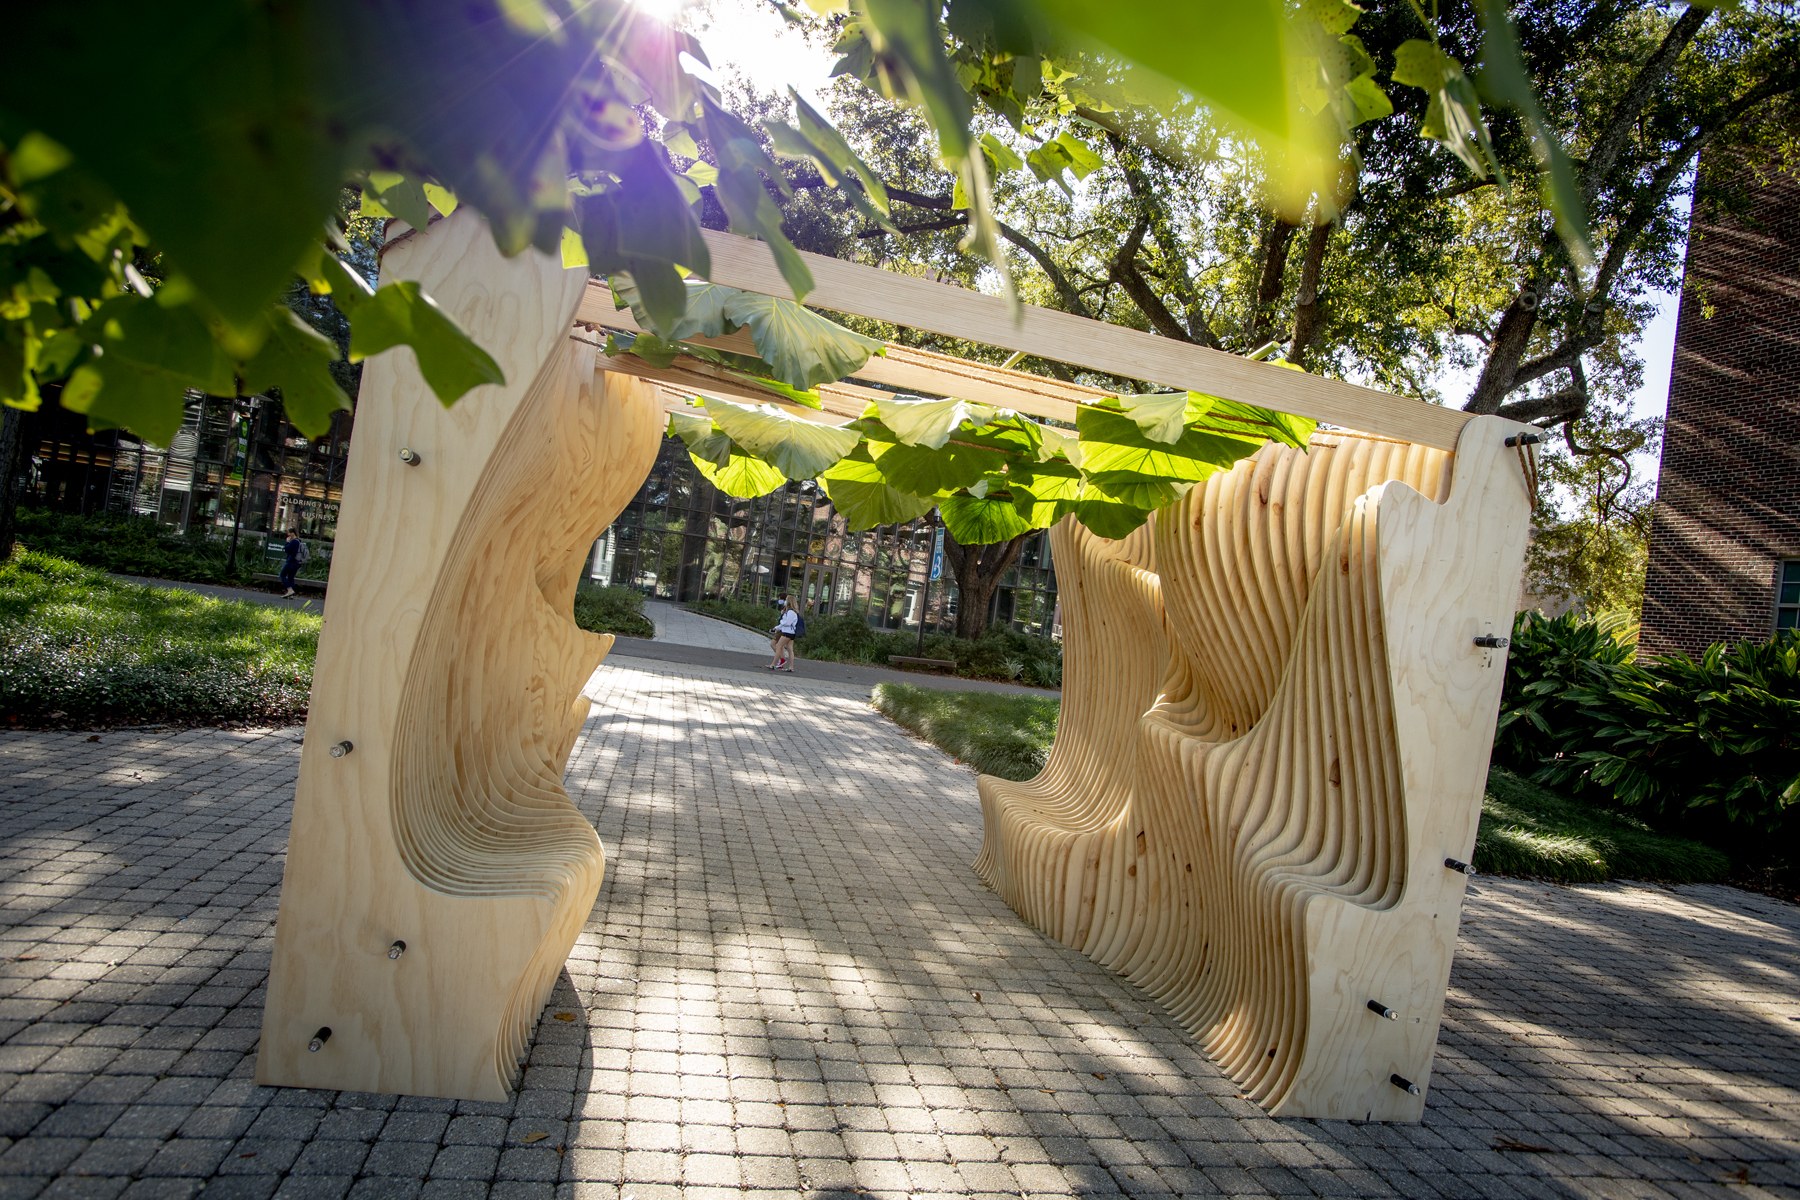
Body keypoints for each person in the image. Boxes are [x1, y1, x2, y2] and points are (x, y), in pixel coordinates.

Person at [767, 596, 801, 672]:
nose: (784, 601)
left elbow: (787, 623)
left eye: (786, 600)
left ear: (789, 602)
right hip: (790, 633)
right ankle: (791, 667)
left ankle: (773, 664)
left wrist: (781, 624)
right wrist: (776, 628)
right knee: (790, 649)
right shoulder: (790, 612)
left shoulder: (790, 612)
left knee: (778, 646)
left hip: (787, 633)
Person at [279, 527, 307, 598]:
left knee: (282, 575)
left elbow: (287, 550)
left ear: (292, 533)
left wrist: (287, 542)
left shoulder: (294, 542)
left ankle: (290, 590)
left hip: (291, 562)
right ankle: (291, 595)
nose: (288, 535)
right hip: (297, 563)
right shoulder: (299, 541)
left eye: (289, 533)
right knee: (291, 577)